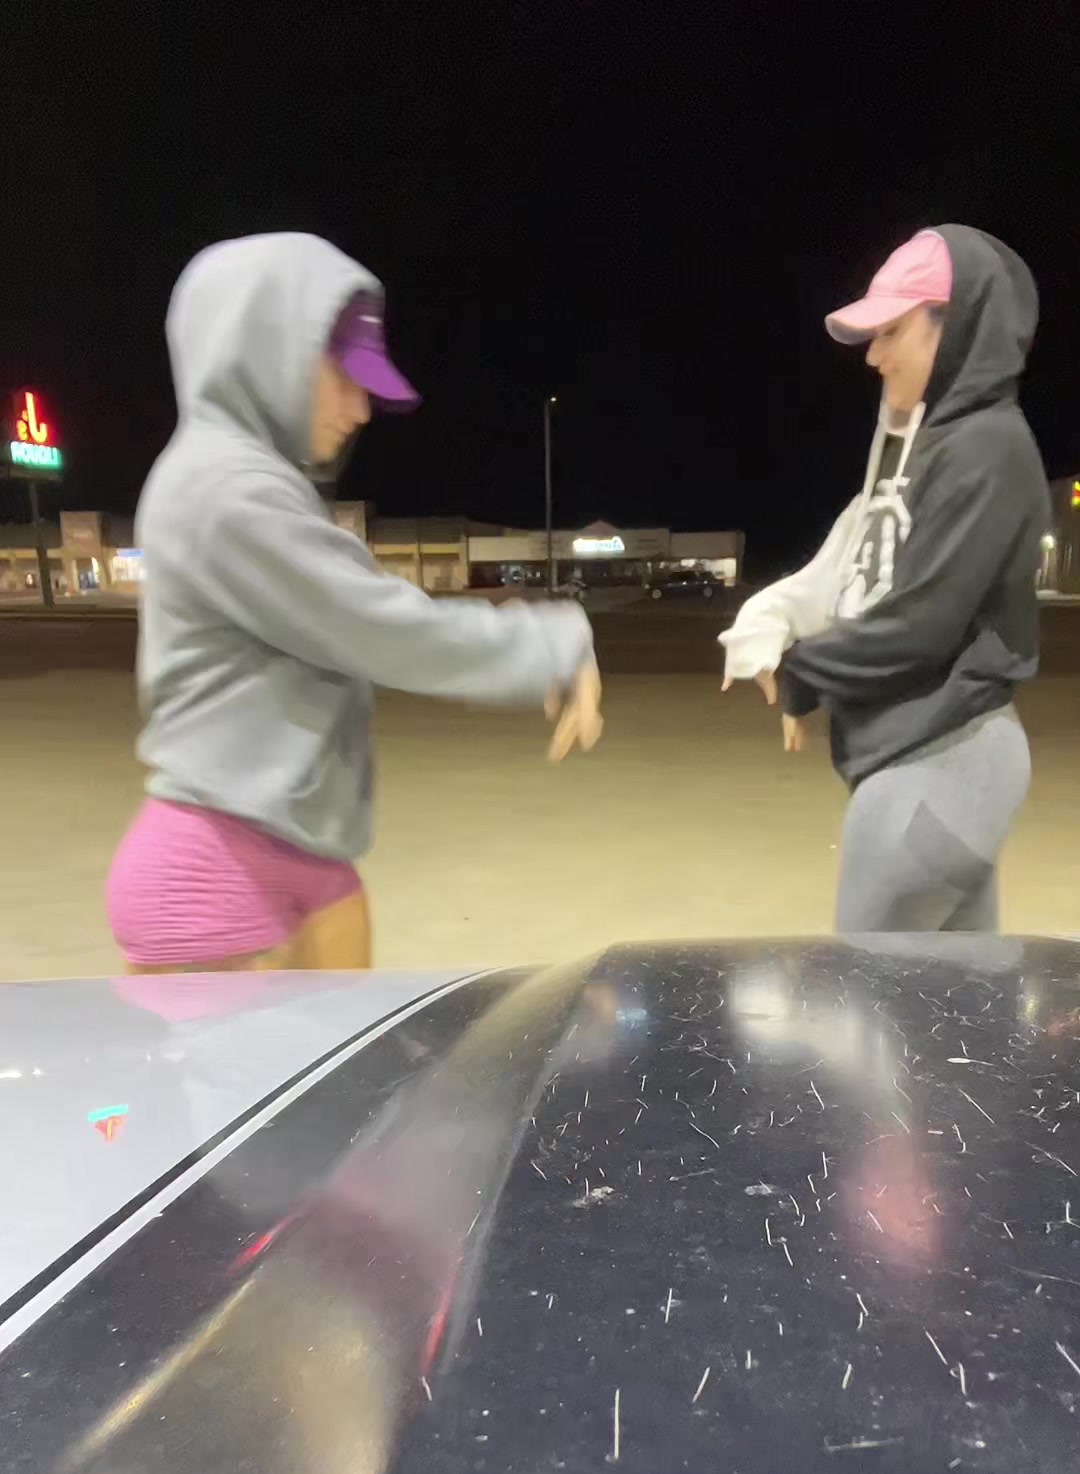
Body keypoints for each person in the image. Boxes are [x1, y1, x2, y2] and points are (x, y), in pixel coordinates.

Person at [107, 233, 602, 974]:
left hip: (299, 852)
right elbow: (376, 625)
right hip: (216, 879)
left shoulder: (253, 480)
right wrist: (551, 644)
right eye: (346, 375)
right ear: (267, 354)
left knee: (353, 1049)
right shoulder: (222, 489)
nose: (363, 408)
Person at [722, 225, 1049, 933]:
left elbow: (921, 624)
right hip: (937, 766)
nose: (873, 355)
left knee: (870, 993)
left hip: (940, 765)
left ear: (952, 328)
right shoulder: (936, 448)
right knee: (953, 997)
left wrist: (803, 671)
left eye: (892, 331)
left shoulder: (985, 447)